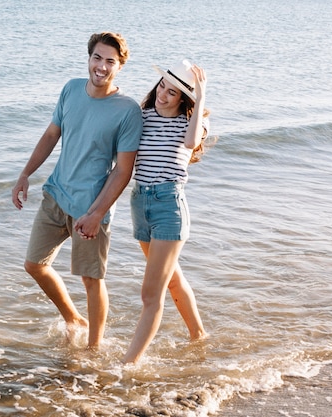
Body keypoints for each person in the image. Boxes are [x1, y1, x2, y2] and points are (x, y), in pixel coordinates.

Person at [12, 32, 143, 350]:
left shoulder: (127, 111)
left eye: (110, 61)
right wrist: (25, 174)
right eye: (97, 57)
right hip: (56, 194)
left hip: (90, 207)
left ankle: (94, 349)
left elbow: (123, 170)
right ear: (89, 58)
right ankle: (73, 318)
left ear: (120, 66)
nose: (101, 66)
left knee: (91, 281)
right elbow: (51, 134)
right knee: (34, 264)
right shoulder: (71, 89)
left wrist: (97, 213)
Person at [122, 59, 211, 364]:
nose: (163, 94)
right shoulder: (142, 116)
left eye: (173, 92)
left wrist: (200, 98)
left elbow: (191, 141)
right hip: (140, 203)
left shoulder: (193, 121)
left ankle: (127, 366)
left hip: (169, 207)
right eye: (162, 86)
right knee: (172, 280)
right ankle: (199, 337)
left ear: (183, 98)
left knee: (150, 296)